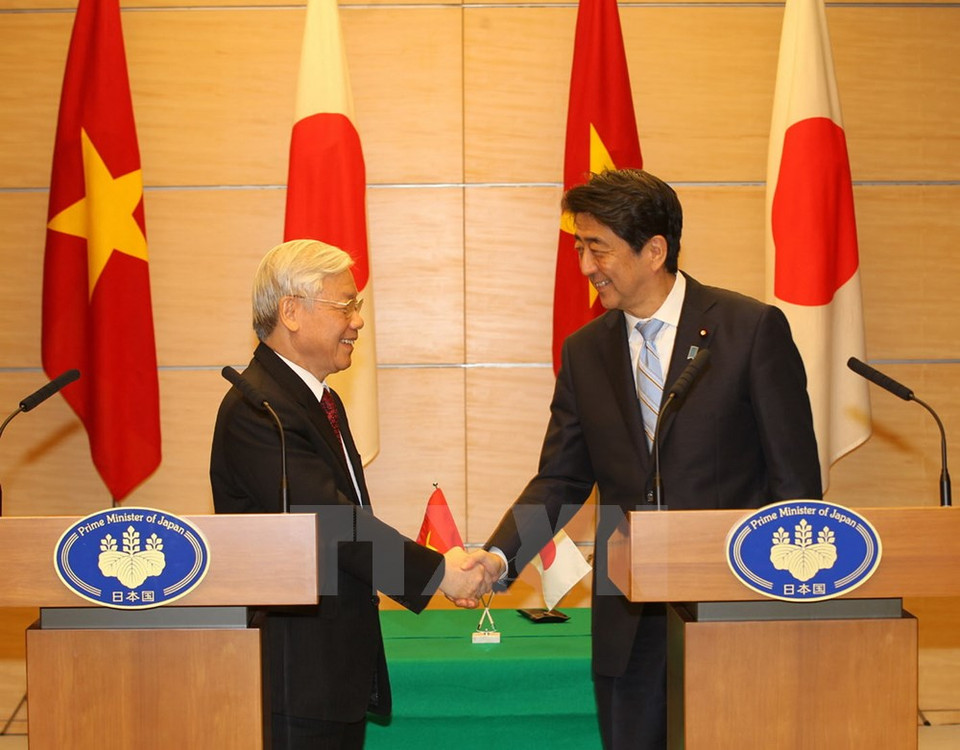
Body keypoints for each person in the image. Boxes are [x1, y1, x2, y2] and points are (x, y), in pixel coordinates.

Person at [478, 169, 822, 749]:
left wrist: (786, 601)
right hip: (629, 620)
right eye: (580, 247)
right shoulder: (585, 351)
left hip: (732, 608)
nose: (586, 266)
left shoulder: (749, 329)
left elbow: (796, 484)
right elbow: (561, 476)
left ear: (654, 249)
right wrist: (496, 556)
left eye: (598, 248)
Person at [210, 239, 499, 750]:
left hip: (331, 673)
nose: (358, 321)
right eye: (345, 304)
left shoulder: (319, 401)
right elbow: (330, 522)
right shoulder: (259, 411)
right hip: (292, 680)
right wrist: (439, 572)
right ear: (292, 312)